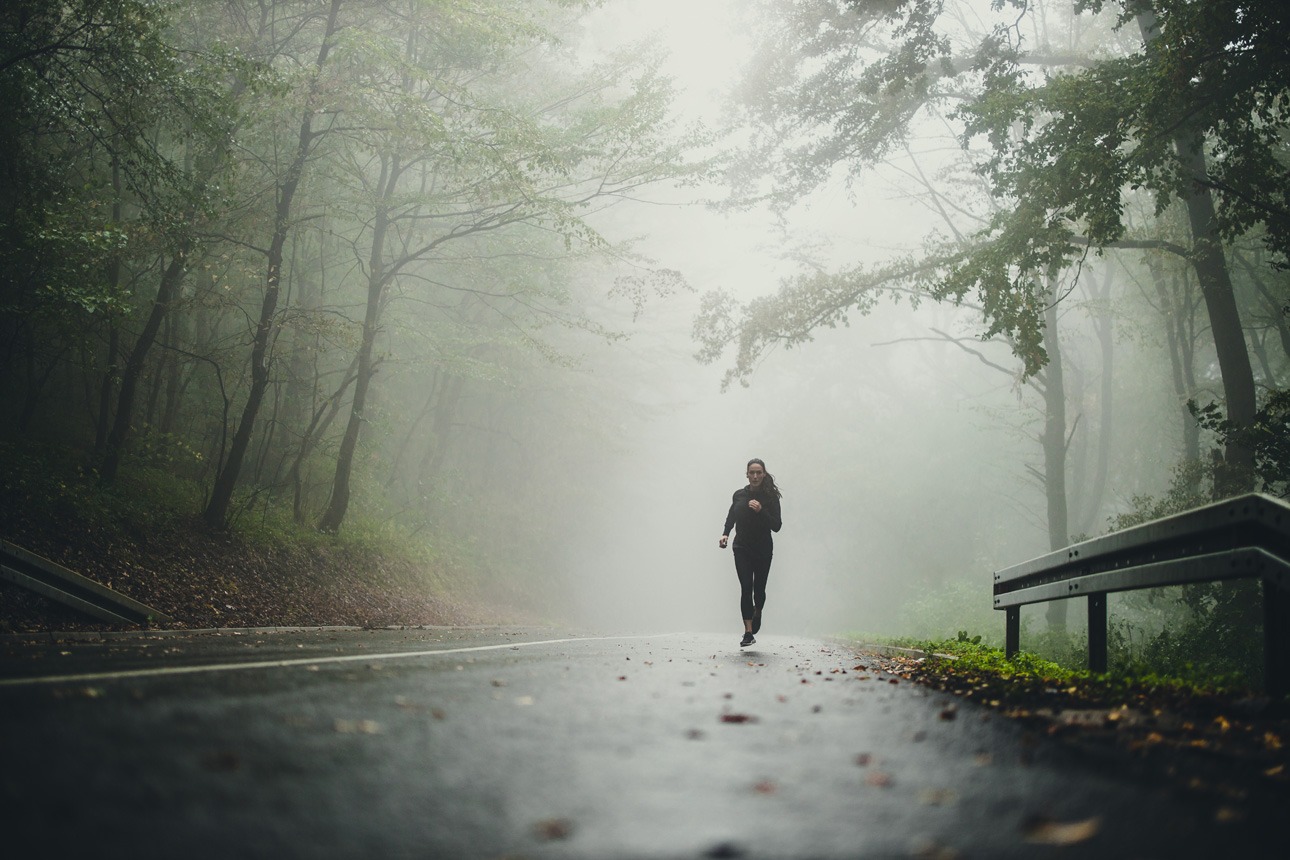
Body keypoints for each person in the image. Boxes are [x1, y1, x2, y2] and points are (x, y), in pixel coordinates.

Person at [718, 458, 783, 647]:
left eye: (758, 472)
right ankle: (748, 633)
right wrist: (725, 534)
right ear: (747, 474)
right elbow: (732, 515)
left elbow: (777, 526)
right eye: (751, 472)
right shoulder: (739, 495)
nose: (755, 476)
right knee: (746, 588)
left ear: (763, 474)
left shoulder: (771, 498)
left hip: (763, 549)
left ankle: (758, 612)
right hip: (742, 548)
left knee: (759, 590)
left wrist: (761, 510)